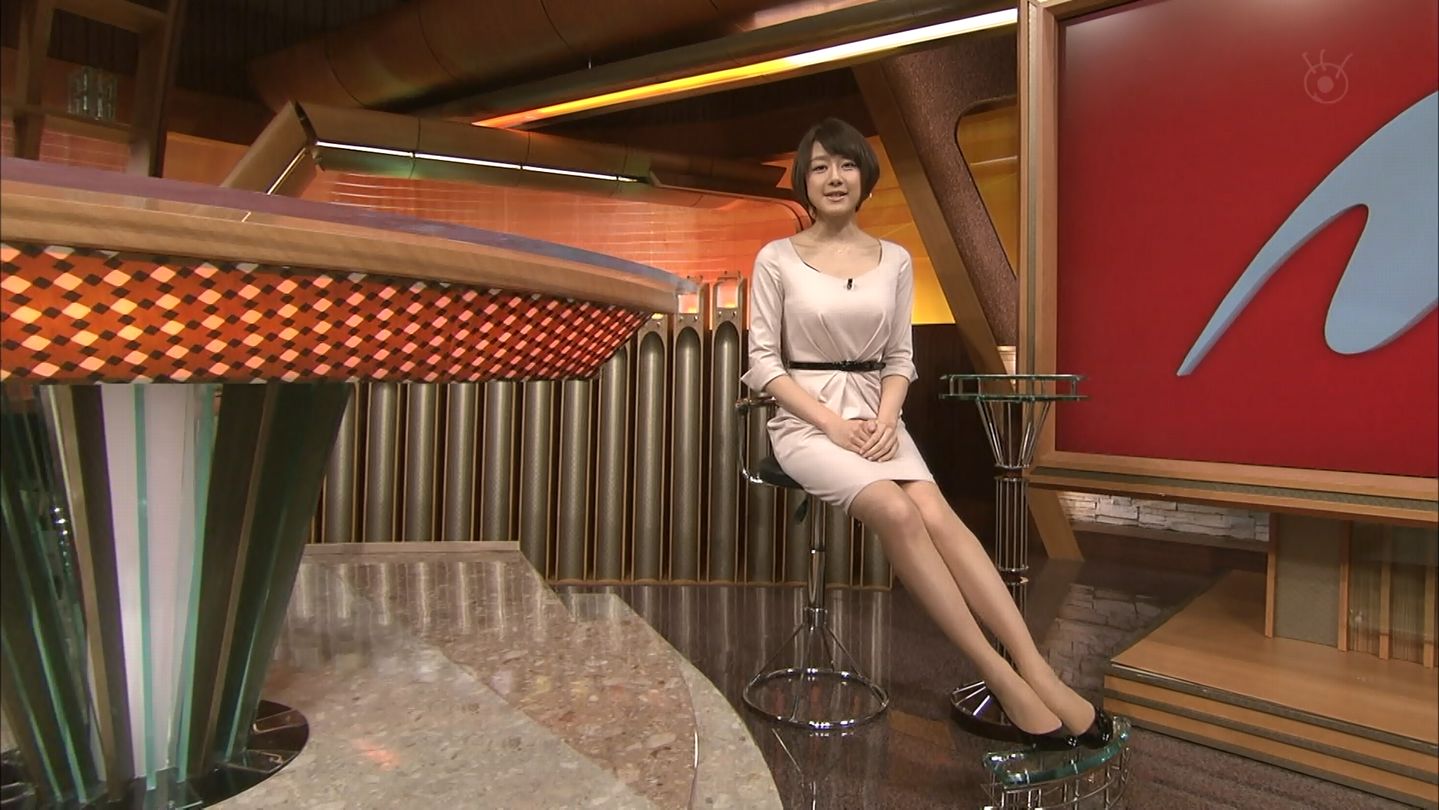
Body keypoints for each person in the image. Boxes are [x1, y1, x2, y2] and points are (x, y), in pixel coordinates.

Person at [741, 117, 1110, 749]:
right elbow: (765, 365)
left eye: (846, 164)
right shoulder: (776, 258)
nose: (834, 177)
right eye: (820, 166)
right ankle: (1001, 678)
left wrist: (887, 419)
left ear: (866, 178)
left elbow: (900, 358)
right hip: (808, 423)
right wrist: (836, 425)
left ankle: (1038, 671)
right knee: (898, 511)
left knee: (937, 513)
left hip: (878, 417)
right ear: (804, 180)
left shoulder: (896, 259)